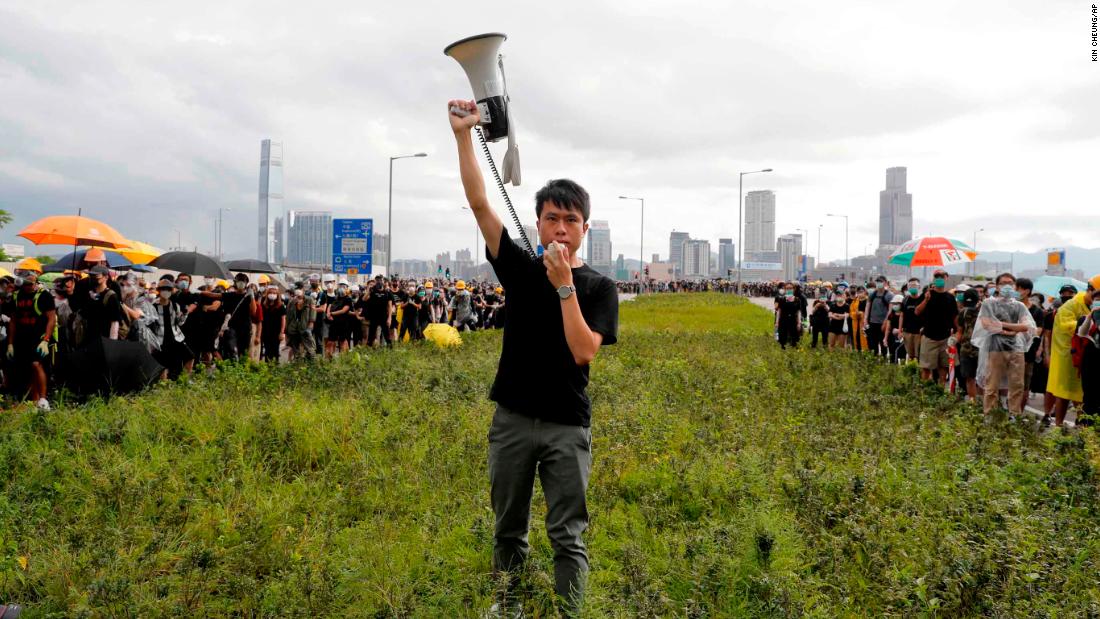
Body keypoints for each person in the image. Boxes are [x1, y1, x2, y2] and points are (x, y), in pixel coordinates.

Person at [451, 99, 619, 616]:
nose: (561, 229)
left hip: (567, 425)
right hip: (513, 419)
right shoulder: (520, 270)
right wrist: (463, 136)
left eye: (571, 220)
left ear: (585, 228)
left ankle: (570, 612)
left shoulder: (599, 287)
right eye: (551, 219)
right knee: (508, 528)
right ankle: (509, 607)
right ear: (539, 224)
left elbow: (584, 349)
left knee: (567, 534)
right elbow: (482, 205)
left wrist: (565, 287)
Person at [973, 273, 1035, 417]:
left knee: (1017, 385)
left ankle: (1014, 415)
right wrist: (1013, 328)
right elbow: (987, 324)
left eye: (1010, 283)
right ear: (997, 286)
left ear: (1015, 286)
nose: (1007, 286)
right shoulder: (989, 303)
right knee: (992, 385)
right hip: (995, 348)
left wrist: (1001, 326)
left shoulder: (1019, 305)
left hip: (1016, 348)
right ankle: (990, 416)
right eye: (1003, 283)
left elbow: (1026, 326)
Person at [1047, 276, 1098, 426]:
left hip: (1088, 355)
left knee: (1084, 394)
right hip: (1068, 355)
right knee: (1064, 393)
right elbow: (1066, 326)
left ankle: (1082, 427)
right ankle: (1059, 426)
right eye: (1096, 295)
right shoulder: (1072, 304)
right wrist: (1089, 321)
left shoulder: (1090, 305)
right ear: (1089, 290)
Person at [5, 273, 56, 409]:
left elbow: (52, 319)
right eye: (26, 284)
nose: (29, 287)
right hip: (22, 337)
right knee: (27, 367)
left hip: (39, 337)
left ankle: (44, 399)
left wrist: (46, 339)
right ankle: (34, 400)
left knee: (36, 364)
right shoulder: (16, 296)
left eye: (32, 284)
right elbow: (13, 321)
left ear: (36, 282)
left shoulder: (45, 295)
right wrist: (10, 343)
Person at [914, 270, 957, 385]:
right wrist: (926, 300)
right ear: (933, 279)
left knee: (943, 368)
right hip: (929, 337)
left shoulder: (950, 297)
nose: (939, 279)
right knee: (926, 368)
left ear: (946, 278)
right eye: (936, 276)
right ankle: (924, 393)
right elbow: (917, 311)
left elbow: (955, 317)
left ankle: (940, 391)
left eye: (941, 276)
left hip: (945, 338)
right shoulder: (927, 295)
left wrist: (957, 332)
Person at [150, 279, 194, 378]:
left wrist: (185, 313)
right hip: (160, 339)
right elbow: (150, 323)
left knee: (190, 356)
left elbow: (180, 323)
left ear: (171, 291)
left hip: (176, 337)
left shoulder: (175, 305)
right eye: (163, 289)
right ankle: (164, 388)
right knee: (163, 365)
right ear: (158, 290)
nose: (166, 291)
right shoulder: (153, 306)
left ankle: (185, 380)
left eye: (168, 289)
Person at [80, 265, 123, 343]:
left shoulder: (111, 296)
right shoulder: (90, 293)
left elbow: (115, 322)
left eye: (96, 276)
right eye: (91, 276)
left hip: (104, 339)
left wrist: (112, 343)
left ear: (106, 277)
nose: (93, 278)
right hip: (89, 337)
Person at [218, 273, 256, 361]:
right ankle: (231, 366)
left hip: (245, 328)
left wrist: (252, 296)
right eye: (239, 280)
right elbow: (215, 295)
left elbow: (253, 312)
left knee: (243, 352)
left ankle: (240, 371)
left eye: (243, 281)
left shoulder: (249, 296)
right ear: (235, 282)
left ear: (246, 283)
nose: (241, 283)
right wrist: (200, 293)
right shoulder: (229, 295)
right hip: (231, 327)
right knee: (232, 349)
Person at [1076, 290, 1100, 426]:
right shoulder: (1085, 318)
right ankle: (1088, 427)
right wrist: (1090, 317)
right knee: (1089, 395)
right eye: (1096, 300)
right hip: (1090, 359)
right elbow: (1081, 333)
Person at [954, 288, 982, 400]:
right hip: (966, 349)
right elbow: (960, 331)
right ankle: (973, 403)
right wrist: (954, 342)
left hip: (982, 350)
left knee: (983, 379)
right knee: (969, 377)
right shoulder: (963, 312)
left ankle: (983, 403)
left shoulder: (985, 311)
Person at [284, 288, 316, 360]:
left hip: (305, 327)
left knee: (310, 349)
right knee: (296, 351)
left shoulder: (309, 300)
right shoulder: (291, 302)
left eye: (299, 296)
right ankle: (298, 366)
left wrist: (311, 324)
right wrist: (286, 331)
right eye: (296, 296)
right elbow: (288, 316)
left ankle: (311, 365)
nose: (298, 297)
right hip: (294, 328)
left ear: (303, 292)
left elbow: (313, 312)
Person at [898, 278, 924, 363]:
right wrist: (900, 331)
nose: (913, 287)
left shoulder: (922, 299)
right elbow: (901, 316)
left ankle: (919, 373)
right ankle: (911, 372)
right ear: (908, 287)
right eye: (910, 286)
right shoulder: (905, 300)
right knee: (910, 355)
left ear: (919, 287)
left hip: (919, 333)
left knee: (919, 355)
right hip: (907, 332)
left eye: (915, 285)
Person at [865, 277, 891, 357]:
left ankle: (883, 362)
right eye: (877, 282)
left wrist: (885, 322)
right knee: (873, 345)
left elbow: (890, 311)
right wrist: (865, 320)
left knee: (883, 345)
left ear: (885, 283)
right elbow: (867, 306)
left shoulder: (889, 295)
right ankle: (874, 362)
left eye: (880, 282)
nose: (879, 283)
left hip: (882, 324)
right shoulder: (873, 294)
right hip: (872, 323)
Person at [365, 275, 393, 348]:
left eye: (380, 280)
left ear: (383, 281)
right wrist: (368, 291)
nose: (379, 282)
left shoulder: (387, 292)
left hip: (384, 317)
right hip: (374, 317)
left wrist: (389, 318)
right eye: (377, 280)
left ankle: (391, 352)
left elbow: (390, 306)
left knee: (387, 336)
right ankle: (367, 352)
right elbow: (364, 299)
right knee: (370, 337)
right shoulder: (373, 290)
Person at [260, 285, 286, 362]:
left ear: (277, 295)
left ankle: (275, 367)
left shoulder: (281, 306)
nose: (272, 294)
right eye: (270, 292)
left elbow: (283, 320)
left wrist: (282, 332)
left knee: (275, 350)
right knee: (267, 350)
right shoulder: (264, 305)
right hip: (265, 331)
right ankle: (267, 367)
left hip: (276, 332)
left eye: (274, 293)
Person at [775, 284, 802, 349]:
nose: (789, 289)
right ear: (785, 290)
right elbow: (779, 311)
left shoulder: (797, 300)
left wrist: (799, 322)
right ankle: (783, 350)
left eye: (790, 288)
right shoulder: (781, 299)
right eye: (787, 288)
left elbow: (798, 312)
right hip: (783, 320)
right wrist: (777, 322)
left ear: (793, 289)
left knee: (794, 338)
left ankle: (793, 351)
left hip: (793, 320)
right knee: (783, 337)